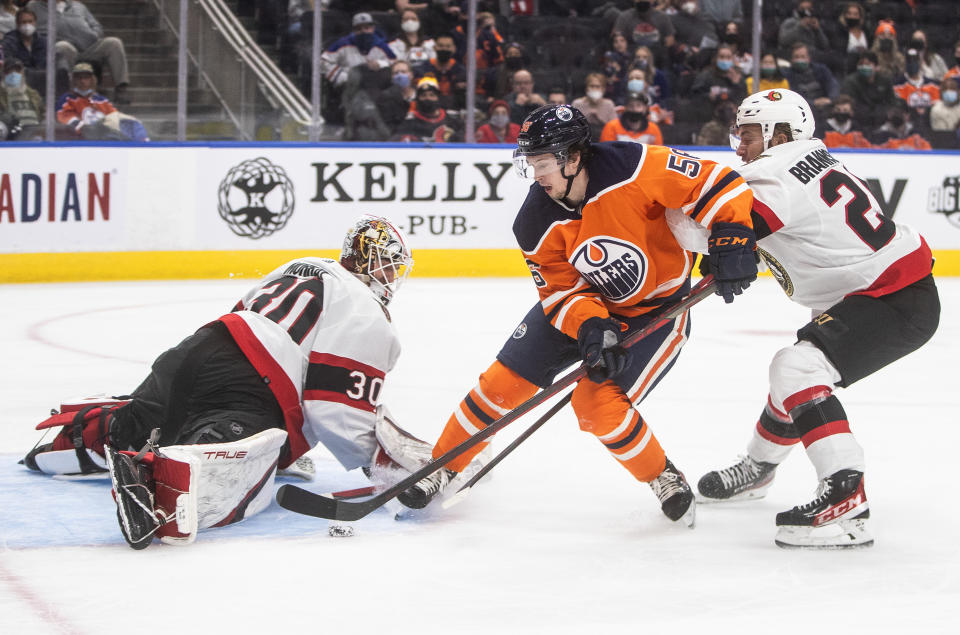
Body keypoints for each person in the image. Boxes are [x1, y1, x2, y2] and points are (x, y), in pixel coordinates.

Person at [394, 103, 758, 526]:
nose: (536, 175)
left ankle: (664, 477)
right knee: (500, 385)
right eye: (529, 164)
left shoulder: (633, 166)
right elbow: (561, 291)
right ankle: (444, 465)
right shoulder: (533, 221)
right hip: (584, 309)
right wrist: (590, 325)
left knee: (596, 406)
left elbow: (718, 182)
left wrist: (732, 233)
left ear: (573, 157)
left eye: (543, 162)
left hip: (654, 311)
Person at [21, 216, 439, 549]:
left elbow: (249, 316)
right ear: (369, 261)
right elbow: (333, 409)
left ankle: (83, 435)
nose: (390, 275)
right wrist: (382, 468)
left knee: (148, 416)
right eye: (388, 263)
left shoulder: (301, 267)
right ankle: (155, 480)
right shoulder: (367, 311)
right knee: (227, 455)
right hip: (253, 385)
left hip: (199, 347)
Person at [699, 89, 939, 549]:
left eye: (748, 135)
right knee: (797, 379)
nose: (740, 145)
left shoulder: (773, 170)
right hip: (876, 289)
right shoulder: (809, 159)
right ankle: (759, 468)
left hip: (890, 295)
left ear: (779, 134)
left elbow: (720, 229)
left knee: (796, 368)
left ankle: (846, 498)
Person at [26, 0, 131, 104]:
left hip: (90, 47)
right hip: (65, 47)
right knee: (63, 46)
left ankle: (121, 88)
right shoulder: (34, 6)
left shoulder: (78, 6)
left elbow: (96, 25)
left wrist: (94, 34)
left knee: (114, 42)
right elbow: (31, 29)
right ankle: (73, 90)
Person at [56, 62, 148, 141]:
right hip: (83, 140)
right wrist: (84, 126)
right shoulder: (67, 99)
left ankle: (144, 145)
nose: (82, 81)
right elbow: (65, 117)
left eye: (86, 77)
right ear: (73, 80)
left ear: (92, 80)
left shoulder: (101, 100)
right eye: (79, 78)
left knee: (131, 123)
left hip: (108, 136)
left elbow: (114, 116)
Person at [320, 12, 396, 89]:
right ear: (353, 30)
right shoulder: (343, 44)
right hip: (346, 86)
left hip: (374, 87)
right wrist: (342, 76)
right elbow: (324, 61)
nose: (363, 31)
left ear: (373, 28)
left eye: (367, 28)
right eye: (359, 29)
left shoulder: (381, 45)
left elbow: (395, 63)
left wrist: (380, 64)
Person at [392, 75, 462, 142]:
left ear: (438, 97)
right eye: (423, 95)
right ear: (418, 99)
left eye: (432, 95)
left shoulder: (452, 120)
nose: (428, 98)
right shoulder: (409, 122)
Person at [2, 7, 53, 93]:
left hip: (42, 82)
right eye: (24, 22)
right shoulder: (9, 42)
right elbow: (10, 64)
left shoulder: (44, 42)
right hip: (18, 83)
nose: (27, 25)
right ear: (17, 24)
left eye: (30, 21)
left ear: (35, 22)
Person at [841, 50, 895, 130]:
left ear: (877, 67)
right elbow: (849, 103)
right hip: (859, 119)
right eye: (861, 64)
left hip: (881, 118)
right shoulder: (851, 81)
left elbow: (890, 101)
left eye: (868, 64)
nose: (864, 67)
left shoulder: (885, 81)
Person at [783, 42, 838, 115]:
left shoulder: (822, 69)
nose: (800, 60)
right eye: (796, 57)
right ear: (791, 59)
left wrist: (830, 99)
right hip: (802, 110)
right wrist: (813, 103)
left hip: (826, 106)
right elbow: (792, 96)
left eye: (803, 57)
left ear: (808, 58)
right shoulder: (786, 74)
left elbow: (832, 86)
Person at [0, 57, 43, 139]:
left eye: (17, 71)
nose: (13, 74)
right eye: (9, 71)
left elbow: (44, 114)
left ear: (23, 73)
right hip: (12, 136)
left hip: (35, 134)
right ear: (4, 74)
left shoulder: (33, 94)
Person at [571, 72, 617, 138]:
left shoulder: (609, 104)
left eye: (598, 86)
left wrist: (599, 120)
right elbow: (572, 127)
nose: (594, 89)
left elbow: (614, 128)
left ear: (603, 89)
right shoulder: (577, 104)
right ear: (586, 88)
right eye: (592, 86)